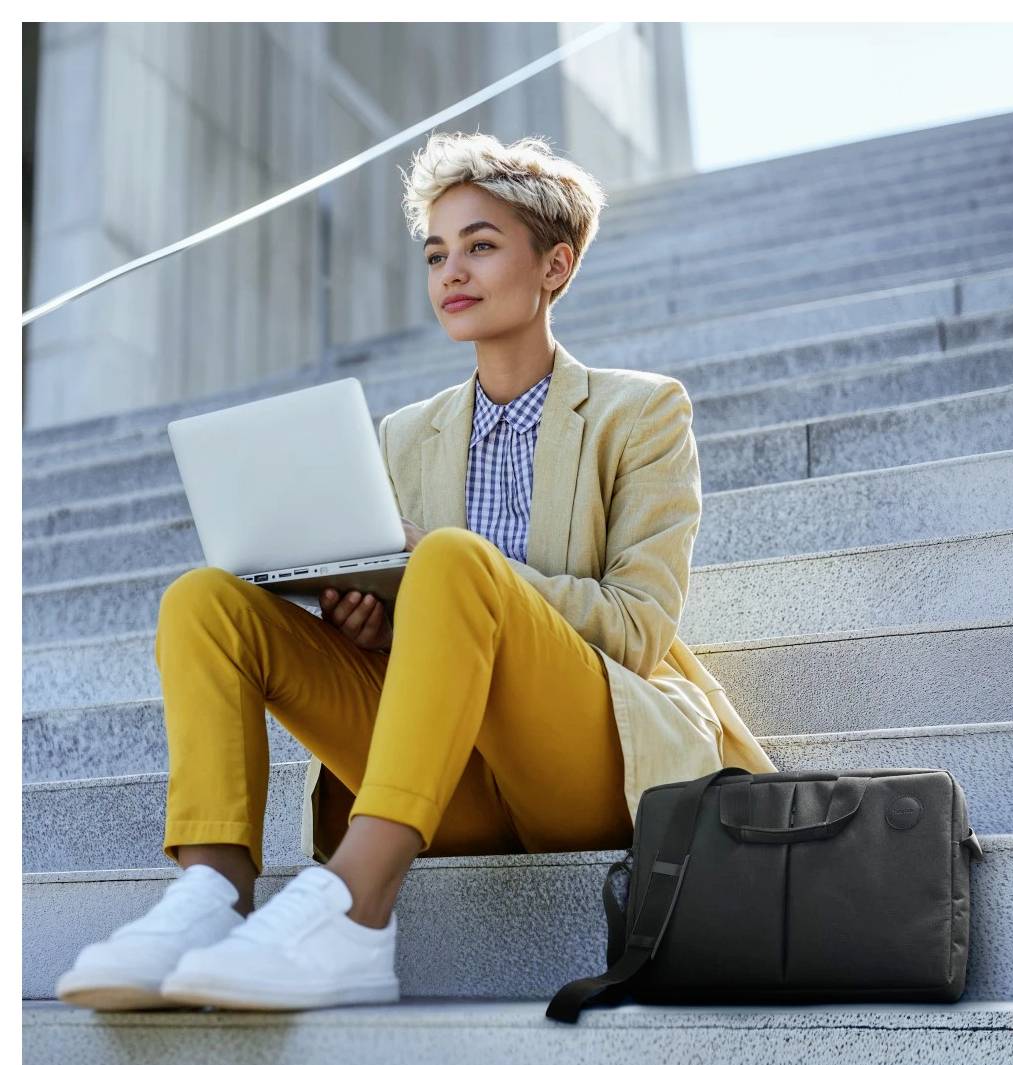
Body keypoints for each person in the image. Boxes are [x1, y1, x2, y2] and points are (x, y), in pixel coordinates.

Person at [56, 131, 775, 1013]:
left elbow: (635, 627)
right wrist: (376, 618)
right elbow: (423, 615)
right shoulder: (403, 434)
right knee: (206, 600)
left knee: (449, 557)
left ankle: (354, 917)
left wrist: (459, 574)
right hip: (445, 779)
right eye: (437, 253)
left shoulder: (642, 412)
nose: (451, 272)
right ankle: (210, 898)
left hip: (586, 766)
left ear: (555, 266)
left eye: (480, 245)